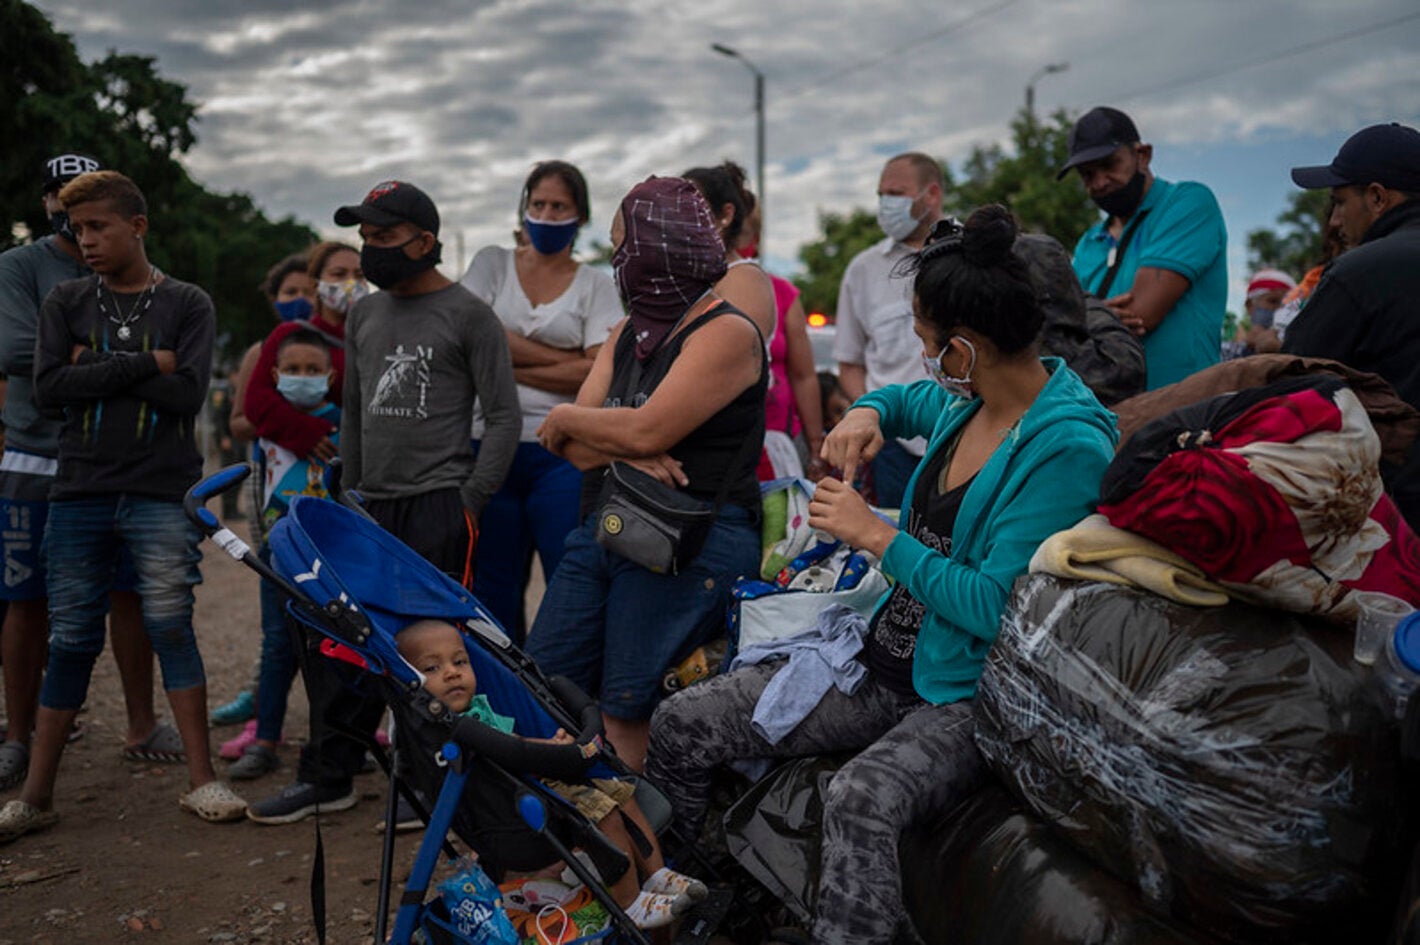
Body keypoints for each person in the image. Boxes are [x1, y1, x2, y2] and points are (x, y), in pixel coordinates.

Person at [645, 206, 1118, 945]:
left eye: (928, 342)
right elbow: (901, 398)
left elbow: (995, 608)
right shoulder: (973, 402)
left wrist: (876, 535)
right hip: (880, 656)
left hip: (963, 692)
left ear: (965, 347)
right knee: (682, 723)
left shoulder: (1067, 446)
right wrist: (865, 412)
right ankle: (707, 900)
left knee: (861, 797)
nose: (924, 356)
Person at [249, 180, 520, 825]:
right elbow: (353, 413)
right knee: (342, 643)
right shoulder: (365, 315)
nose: (372, 251)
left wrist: (471, 499)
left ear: (425, 243)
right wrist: (351, 495)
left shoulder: (469, 315)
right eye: (365, 237)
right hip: (368, 509)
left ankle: (428, 787)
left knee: (430, 653)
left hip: (439, 504)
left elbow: (504, 417)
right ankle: (329, 777)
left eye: (385, 237)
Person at [0, 170, 247, 845]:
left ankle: (202, 780)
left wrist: (97, 362)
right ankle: (36, 795)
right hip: (77, 490)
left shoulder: (188, 304)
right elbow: (49, 390)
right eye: (77, 230)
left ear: (136, 226)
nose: (85, 242)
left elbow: (188, 395)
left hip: (161, 491)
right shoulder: (67, 302)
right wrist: (147, 362)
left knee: (171, 622)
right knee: (72, 633)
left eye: (97, 227)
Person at [528, 176, 767, 772]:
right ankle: (563, 842)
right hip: (607, 528)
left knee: (625, 709)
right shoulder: (623, 333)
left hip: (690, 543)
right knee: (542, 684)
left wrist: (574, 417)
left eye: (622, 247)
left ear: (660, 249)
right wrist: (617, 444)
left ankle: (635, 858)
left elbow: (634, 430)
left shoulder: (727, 331)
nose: (617, 264)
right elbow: (576, 450)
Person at [0, 154, 167, 794]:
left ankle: (143, 725)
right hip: (36, 452)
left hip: (121, 456)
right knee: (26, 599)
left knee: (132, 594)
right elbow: (14, 350)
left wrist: (73, 356)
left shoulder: (141, 266)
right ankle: (19, 737)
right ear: (49, 205)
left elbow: (174, 350)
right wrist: (128, 358)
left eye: (91, 206)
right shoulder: (19, 266)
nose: (78, 221)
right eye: (61, 199)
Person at [396, 618, 706, 929]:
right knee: (605, 813)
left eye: (460, 661)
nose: (452, 672)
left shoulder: (478, 709)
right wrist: (554, 751)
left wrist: (550, 745)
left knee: (622, 794)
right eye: (432, 669)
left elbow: (514, 742)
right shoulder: (449, 730)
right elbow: (509, 752)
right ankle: (629, 903)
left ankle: (656, 875)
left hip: (538, 782)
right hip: (516, 811)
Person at [460, 161, 623, 643]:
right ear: (524, 208)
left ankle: (562, 704)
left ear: (580, 215)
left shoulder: (597, 284)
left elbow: (600, 369)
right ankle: (502, 703)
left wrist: (501, 357)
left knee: (567, 581)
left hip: (563, 453)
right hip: (488, 446)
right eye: (538, 205)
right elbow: (468, 337)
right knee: (493, 590)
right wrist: (566, 360)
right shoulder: (492, 263)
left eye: (560, 207)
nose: (547, 215)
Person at [1281, 122, 1420, 529]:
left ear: (1377, 197)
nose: (1334, 222)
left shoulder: (1358, 273)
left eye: (1340, 202)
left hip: (1397, 520)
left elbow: (1288, 384)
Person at [209, 251, 316, 730]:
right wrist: (296, 427)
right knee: (277, 595)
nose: (301, 300)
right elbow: (237, 421)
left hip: (328, 494)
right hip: (271, 493)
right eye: (289, 293)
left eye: (308, 291)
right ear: (274, 302)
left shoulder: (338, 347)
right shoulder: (259, 354)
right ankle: (259, 697)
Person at [227, 329, 341, 781]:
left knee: (332, 650)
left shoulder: (341, 423)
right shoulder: (268, 425)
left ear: (330, 376)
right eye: (293, 370)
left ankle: (333, 741)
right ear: (274, 375)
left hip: (330, 560)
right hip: (277, 554)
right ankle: (265, 739)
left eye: (313, 371)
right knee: (277, 645)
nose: (302, 378)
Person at [1060, 106, 1228, 390]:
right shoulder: (1089, 243)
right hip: (1111, 416)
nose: (1100, 182)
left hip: (1187, 407)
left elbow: (1141, 314)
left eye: (1110, 165)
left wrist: (1082, 317)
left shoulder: (1187, 203)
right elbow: (1060, 326)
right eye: (1087, 175)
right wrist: (1085, 319)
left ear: (1143, 155)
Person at [832, 152, 947, 507]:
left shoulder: (970, 254)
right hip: (893, 447)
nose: (885, 204)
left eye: (896, 194)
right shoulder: (863, 269)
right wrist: (873, 416)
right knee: (892, 536)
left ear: (932, 194)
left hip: (965, 428)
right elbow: (849, 364)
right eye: (881, 195)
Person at [735, 202, 827, 481]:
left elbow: (804, 375)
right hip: (729, 444)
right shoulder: (701, 293)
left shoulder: (782, 292)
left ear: (756, 239)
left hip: (782, 440)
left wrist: (814, 444)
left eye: (743, 233)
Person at [1221, 268, 1296, 359]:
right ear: (1250, 306)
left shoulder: (1298, 352)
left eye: (1288, 305)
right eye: (1273, 301)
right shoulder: (1225, 351)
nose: (1280, 309)